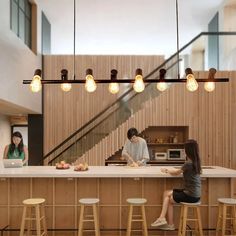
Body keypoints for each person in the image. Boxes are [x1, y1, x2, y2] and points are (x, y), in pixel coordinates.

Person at [151, 139, 202, 231]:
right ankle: (168, 223)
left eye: (185, 149)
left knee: (167, 195)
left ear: (188, 151)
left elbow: (176, 173)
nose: (184, 151)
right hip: (195, 195)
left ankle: (163, 219)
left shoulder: (188, 164)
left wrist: (166, 170)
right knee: (168, 197)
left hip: (190, 195)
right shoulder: (196, 162)